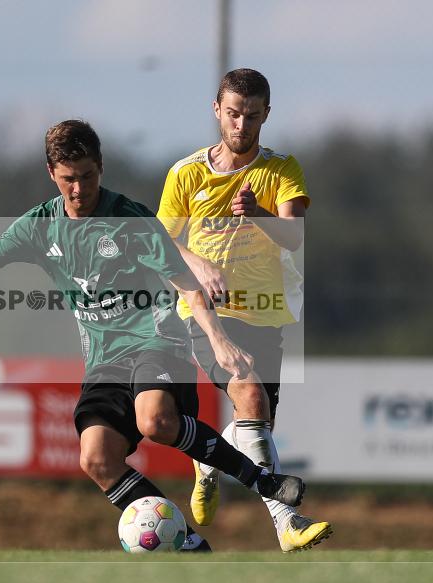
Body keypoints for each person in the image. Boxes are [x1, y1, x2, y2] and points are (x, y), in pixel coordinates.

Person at [0, 119, 306, 552]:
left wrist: (216, 338)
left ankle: (261, 480)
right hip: (104, 361)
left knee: (154, 421)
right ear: (51, 175)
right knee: (96, 458)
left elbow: (185, 279)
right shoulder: (39, 226)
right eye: (68, 180)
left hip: (157, 342)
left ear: (101, 166)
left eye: (88, 176)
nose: (79, 190)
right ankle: (188, 544)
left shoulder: (130, 218)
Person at [157, 69, 332, 551]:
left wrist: (259, 216)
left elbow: (294, 238)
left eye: (251, 116)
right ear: (217, 110)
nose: (241, 125)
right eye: (233, 114)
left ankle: (207, 459)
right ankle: (287, 523)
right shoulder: (186, 173)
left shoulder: (281, 170)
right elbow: (162, 243)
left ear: (266, 116)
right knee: (250, 396)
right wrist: (199, 265)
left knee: (258, 424)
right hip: (207, 313)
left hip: (267, 311)